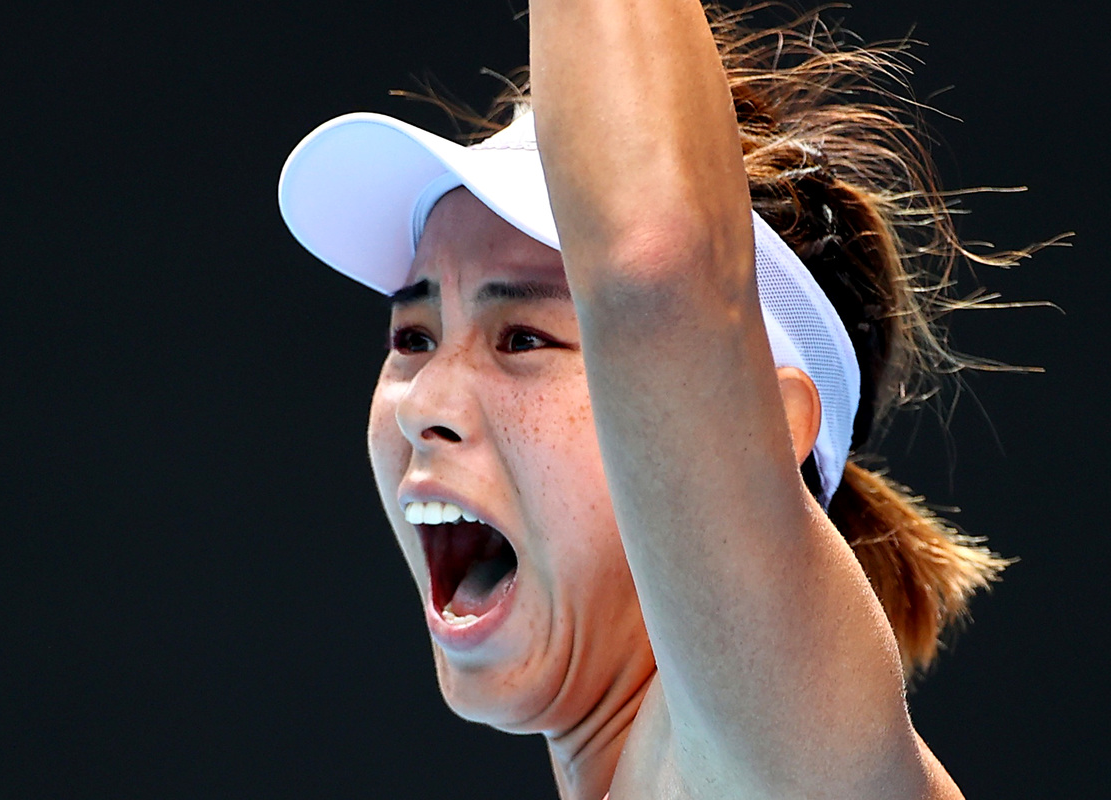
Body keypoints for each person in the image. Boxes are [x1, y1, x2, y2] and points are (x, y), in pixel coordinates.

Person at [278, 3, 1017, 798]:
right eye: (414, 338)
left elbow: (651, 268)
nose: (424, 403)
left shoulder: (780, 752)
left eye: (524, 338)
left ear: (768, 433)